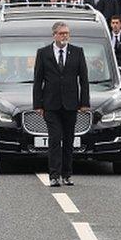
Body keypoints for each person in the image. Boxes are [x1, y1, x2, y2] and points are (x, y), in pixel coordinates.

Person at [33, 21, 90, 187]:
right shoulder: (43, 53)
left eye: (67, 33)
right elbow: (38, 80)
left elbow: (84, 79)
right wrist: (38, 104)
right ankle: (54, 175)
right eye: (62, 33)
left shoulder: (77, 52)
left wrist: (84, 102)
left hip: (71, 104)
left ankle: (67, 174)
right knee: (55, 139)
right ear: (54, 35)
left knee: (69, 140)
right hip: (51, 104)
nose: (65, 36)